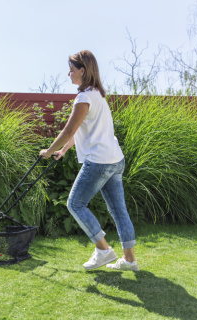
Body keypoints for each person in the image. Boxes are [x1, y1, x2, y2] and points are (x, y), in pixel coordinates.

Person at [39, 50, 139, 271]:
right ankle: (130, 261)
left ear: (82, 71)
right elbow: (82, 131)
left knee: (75, 204)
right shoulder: (98, 95)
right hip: (115, 159)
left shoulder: (83, 97)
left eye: (72, 70)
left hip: (99, 161)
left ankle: (103, 250)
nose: (69, 74)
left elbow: (68, 130)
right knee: (119, 210)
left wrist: (48, 152)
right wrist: (64, 151)